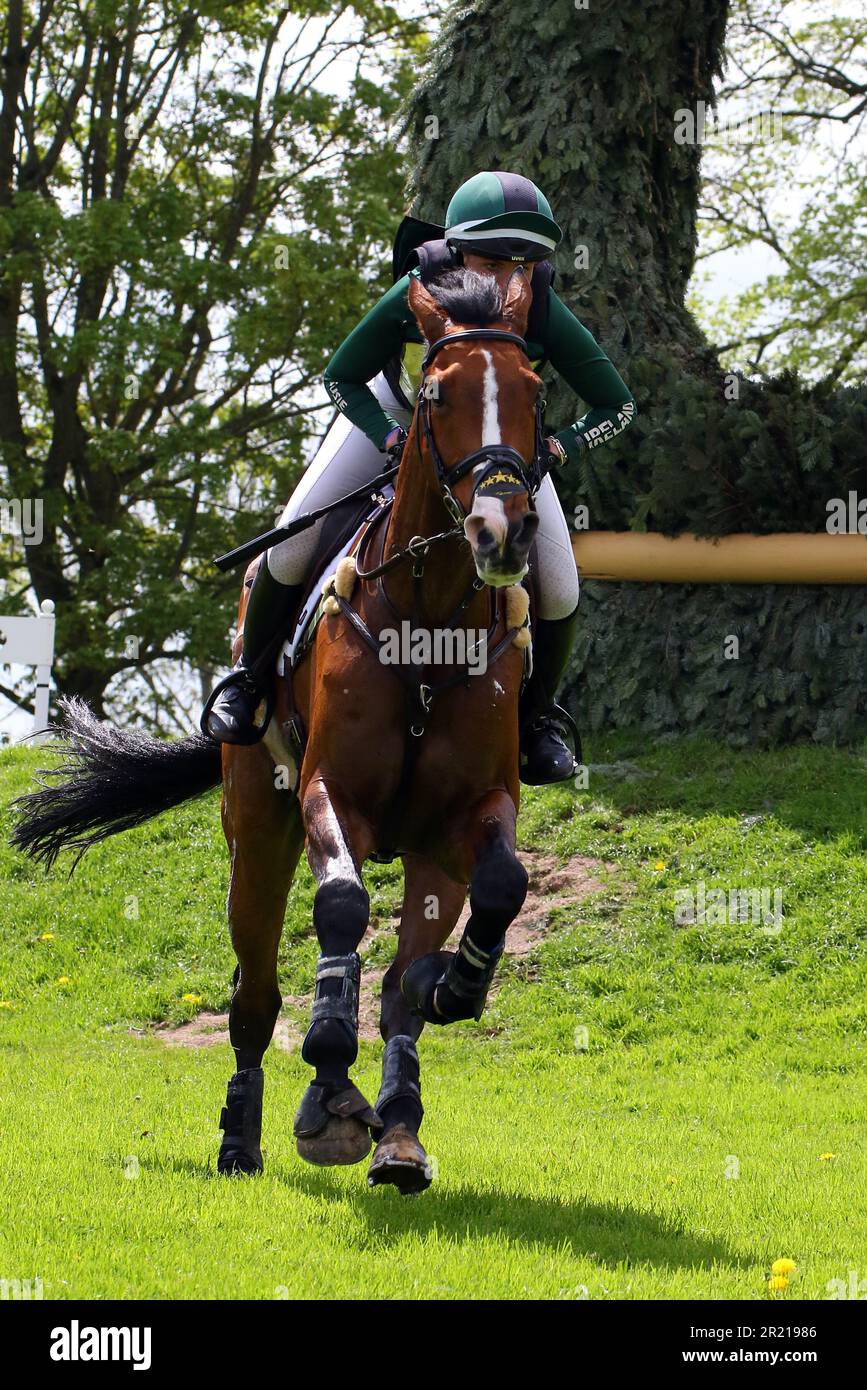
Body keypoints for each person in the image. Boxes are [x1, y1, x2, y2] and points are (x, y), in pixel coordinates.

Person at [204, 171, 636, 783]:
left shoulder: (539, 305)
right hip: (396, 417)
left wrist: (558, 447)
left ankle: (536, 724)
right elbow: (340, 376)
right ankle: (247, 685)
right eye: (493, 259)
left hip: (493, 450)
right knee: (294, 539)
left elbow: (617, 405)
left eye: (524, 262)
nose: (507, 278)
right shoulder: (419, 288)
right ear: (458, 251)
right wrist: (386, 434)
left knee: (561, 585)